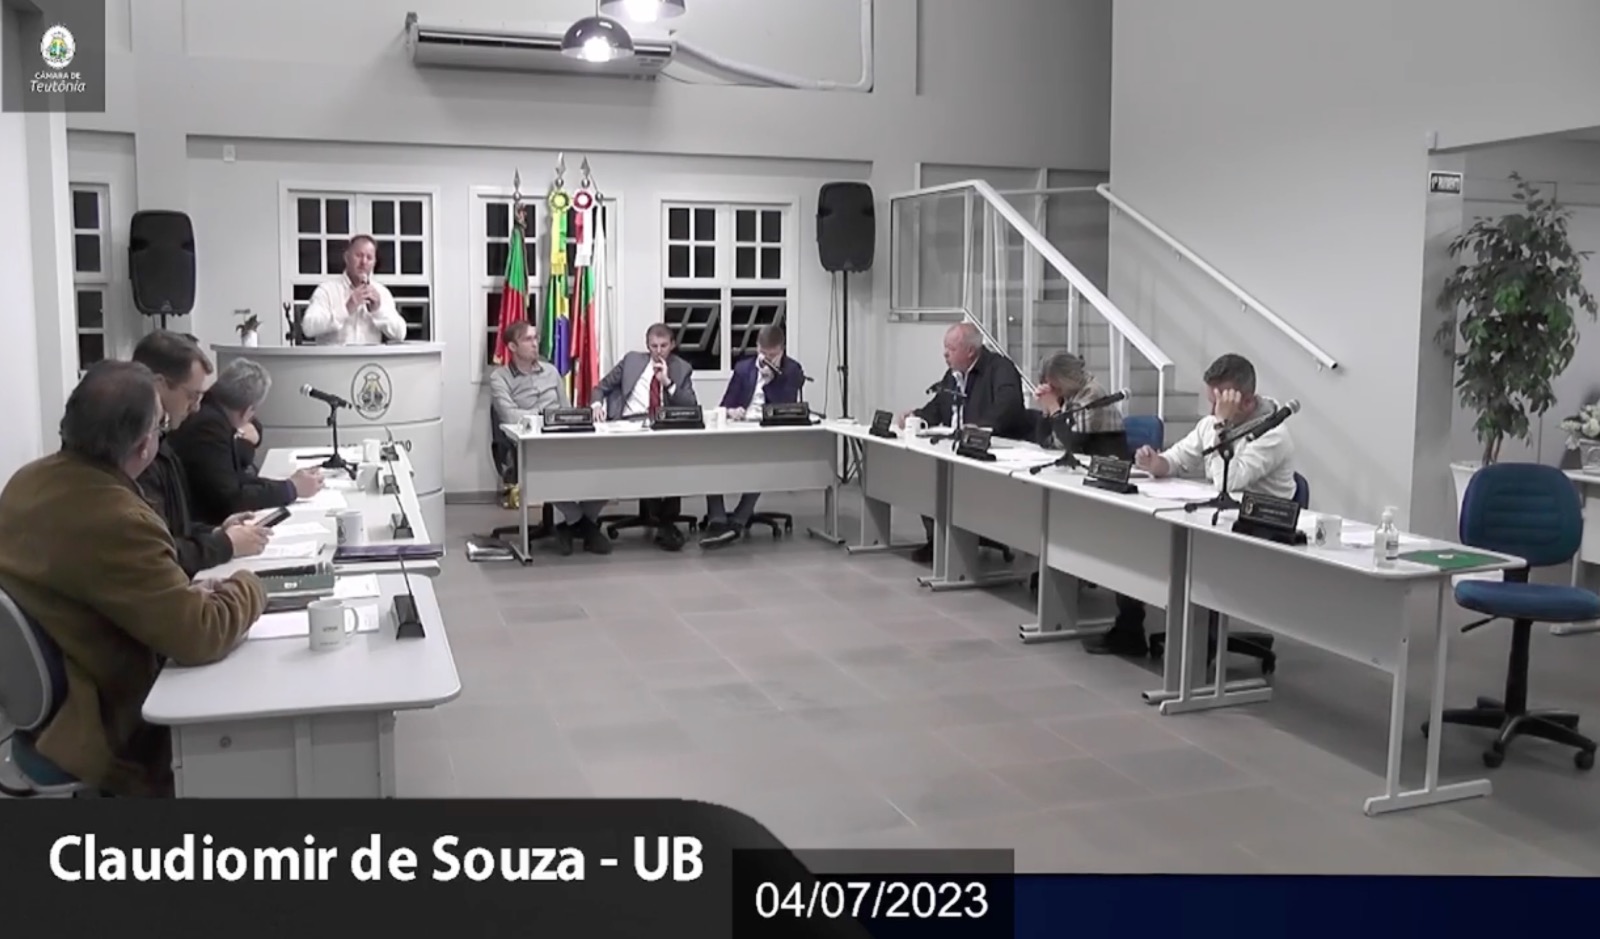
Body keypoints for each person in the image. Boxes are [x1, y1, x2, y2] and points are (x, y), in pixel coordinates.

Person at [0, 361, 266, 796]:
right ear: (145, 446)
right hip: (105, 721)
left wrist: (174, 593)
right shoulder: (119, 518)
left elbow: (92, 581)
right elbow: (201, 634)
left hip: (45, 703)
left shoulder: (26, 482)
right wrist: (252, 585)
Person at [1089, 353, 1298, 657]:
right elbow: (1176, 459)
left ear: (1246, 402)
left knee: (1185, 553)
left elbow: (1227, 481)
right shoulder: (1211, 424)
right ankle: (1129, 629)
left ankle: (1200, 648)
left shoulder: (1273, 434)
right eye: (1211, 403)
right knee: (1137, 538)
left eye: (1219, 403)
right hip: (1220, 523)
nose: (1212, 411)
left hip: (1258, 534)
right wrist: (1155, 462)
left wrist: (1221, 425)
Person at [131, 331, 270, 577]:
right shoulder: (135, 456)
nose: (196, 407)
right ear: (159, 385)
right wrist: (225, 544)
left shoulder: (161, 444)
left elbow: (172, 527)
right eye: (192, 395)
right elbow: (155, 554)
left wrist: (215, 533)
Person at [904, 321, 1028, 564]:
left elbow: (1009, 406)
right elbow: (938, 406)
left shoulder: (1000, 368)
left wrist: (980, 428)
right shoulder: (953, 374)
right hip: (957, 450)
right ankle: (937, 540)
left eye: (951, 348)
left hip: (990, 453)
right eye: (945, 348)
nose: (945, 354)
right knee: (927, 477)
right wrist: (917, 417)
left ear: (970, 351)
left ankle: (965, 537)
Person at [489, 319, 611, 556]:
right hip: (528, 443)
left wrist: (563, 419)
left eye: (536, 338)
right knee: (547, 469)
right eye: (528, 339)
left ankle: (574, 523)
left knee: (606, 466)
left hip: (562, 438)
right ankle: (583, 525)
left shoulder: (551, 371)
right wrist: (546, 417)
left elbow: (567, 411)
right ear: (512, 347)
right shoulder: (499, 377)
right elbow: (509, 416)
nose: (535, 343)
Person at [169, 358, 325, 525]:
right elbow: (231, 499)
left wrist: (290, 485)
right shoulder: (209, 427)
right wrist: (291, 489)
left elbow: (233, 478)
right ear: (247, 411)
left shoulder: (212, 412)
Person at [592, 323, 698, 551]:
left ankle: (665, 521)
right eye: (653, 346)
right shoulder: (632, 361)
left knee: (671, 456)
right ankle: (663, 523)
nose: (658, 351)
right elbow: (601, 387)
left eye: (663, 346)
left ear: (672, 345)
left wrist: (667, 383)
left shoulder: (681, 368)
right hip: (629, 424)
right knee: (647, 457)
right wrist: (596, 404)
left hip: (662, 425)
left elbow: (691, 405)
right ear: (647, 345)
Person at [701, 325, 806, 549]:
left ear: (782, 349)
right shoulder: (743, 368)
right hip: (740, 426)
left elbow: (784, 407)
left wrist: (771, 381)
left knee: (761, 461)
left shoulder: (792, 370)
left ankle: (740, 519)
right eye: (763, 353)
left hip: (769, 431)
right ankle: (717, 518)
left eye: (772, 355)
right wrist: (731, 412)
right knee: (709, 456)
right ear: (757, 347)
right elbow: (725, 404)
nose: (767, 358)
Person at [298, 235, 408, 345]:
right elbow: (308, 327)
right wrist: (346, 308)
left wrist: (378, 310)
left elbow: (400, 334)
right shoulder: (327, 290)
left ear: (374, 262)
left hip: (370, 356)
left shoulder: (382, 293)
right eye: (359, 256)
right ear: (346, 257)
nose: (364, 262)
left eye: (369, 258)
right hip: (335, 356)